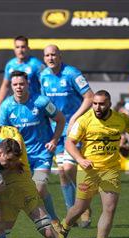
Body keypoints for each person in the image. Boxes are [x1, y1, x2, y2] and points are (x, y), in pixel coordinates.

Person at [62, 90, 129, 238]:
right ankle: (64, 228)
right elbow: (69, 142)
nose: (97, 107)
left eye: (101, 104)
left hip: (110, 171)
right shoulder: (84, 120)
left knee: (109, 208)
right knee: (79, 208)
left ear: (109, 103)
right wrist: (80, 159)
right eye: (94, 103)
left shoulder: (120, 119)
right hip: (88, 171)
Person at [0, 71, 65, 224]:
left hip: (42, 154)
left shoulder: (41, 102)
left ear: (28, 84)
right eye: (15, 84)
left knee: (39, 187)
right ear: (11, 86)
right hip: (19, 157)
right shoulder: (6, 107)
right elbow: (2, 134)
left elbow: (60, 120)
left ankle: (53, 220)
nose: (19, 87)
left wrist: (54, 140)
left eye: (22, 84)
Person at [39, 44, 94, 226]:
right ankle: (73, 210)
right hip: (56, 130)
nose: (50, 58)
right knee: (62, 171)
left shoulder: (71, 73)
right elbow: (45, 103)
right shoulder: (44, 76)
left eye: (53, 54)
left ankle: (83, 205)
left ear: (60, 56)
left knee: (69, 169)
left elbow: (90, 97)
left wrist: (75, 118)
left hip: (74, 128)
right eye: (47, 55)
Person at [0, 36, 45, 115]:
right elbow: (5, 86)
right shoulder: (10, 65)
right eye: (17, 47)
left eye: (23, 47)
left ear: (28, 48)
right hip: (17, 105)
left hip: (34, 105)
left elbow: (45, 85)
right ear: (14, 49)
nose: (20, 50)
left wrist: (44, 102)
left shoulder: (37, 64)